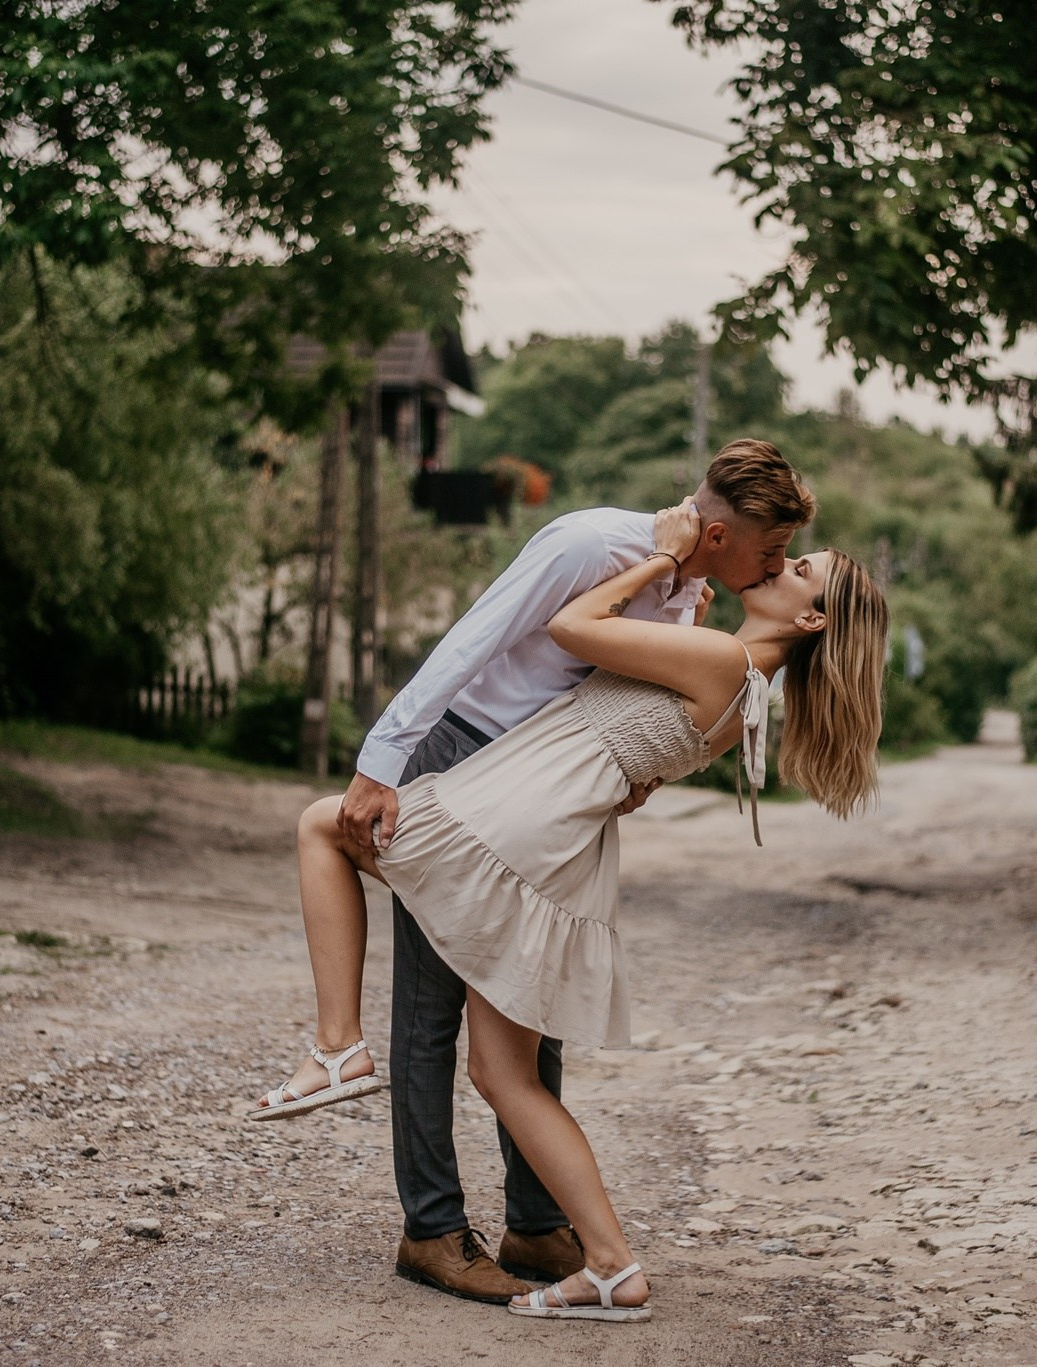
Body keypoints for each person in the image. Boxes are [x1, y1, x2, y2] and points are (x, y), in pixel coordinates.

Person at [252, 497, 891, 1323]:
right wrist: (681, 607)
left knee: (322, 827)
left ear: (811, 618)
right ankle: (603, 1262)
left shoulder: (724, 661)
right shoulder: (747, 684)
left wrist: (663, 562)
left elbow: (574, 625)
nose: (780, 564)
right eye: (786, 552)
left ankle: (340, 1047)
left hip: (513, 827)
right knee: (505, 1072)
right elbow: (640, 719)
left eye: (800, 568)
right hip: (558, 849)